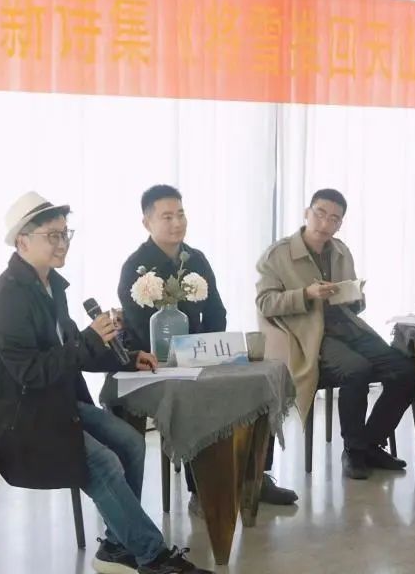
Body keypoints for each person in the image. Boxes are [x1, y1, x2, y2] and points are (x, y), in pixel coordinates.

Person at [0, 191, 212, 574]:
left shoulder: (51, 287)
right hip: (16, 417)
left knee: (131, 443)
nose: (62, 243)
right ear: (22, 242)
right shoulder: (6, 300)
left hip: (53, 404)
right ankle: (153, 557)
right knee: (102, 462)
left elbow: (71, 351)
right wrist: (88, 340)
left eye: (65, 233)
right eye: (52, 236)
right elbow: (30, 373)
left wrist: (126, 357)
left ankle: (117, 546)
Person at [116, 185, 297, 514]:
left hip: (199, 352)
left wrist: (207, 347)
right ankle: (201, 489)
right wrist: (182, 353)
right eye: (167, 217)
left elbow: (216, 311)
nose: (177, 223)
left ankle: (256, 476)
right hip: (155, 361)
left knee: (257, 382)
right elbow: (139, 326)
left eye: (181, 214)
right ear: (147, 223)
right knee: (196, 397)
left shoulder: (195, 259)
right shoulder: (136, 267)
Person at [256, 188, 415, 480]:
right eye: (319, 214)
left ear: (340, 223)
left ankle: (370, 443)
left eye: (334, 218)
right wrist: (306, 294)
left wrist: (355, 296)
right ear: (307, 213)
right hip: (309, 334)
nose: (325, 223)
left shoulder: (341, 251)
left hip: (347, 327)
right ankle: (353, 451)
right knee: (356, 370)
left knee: (406, 371)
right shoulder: (278, 254)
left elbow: (353, 304)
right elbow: (265, 303)